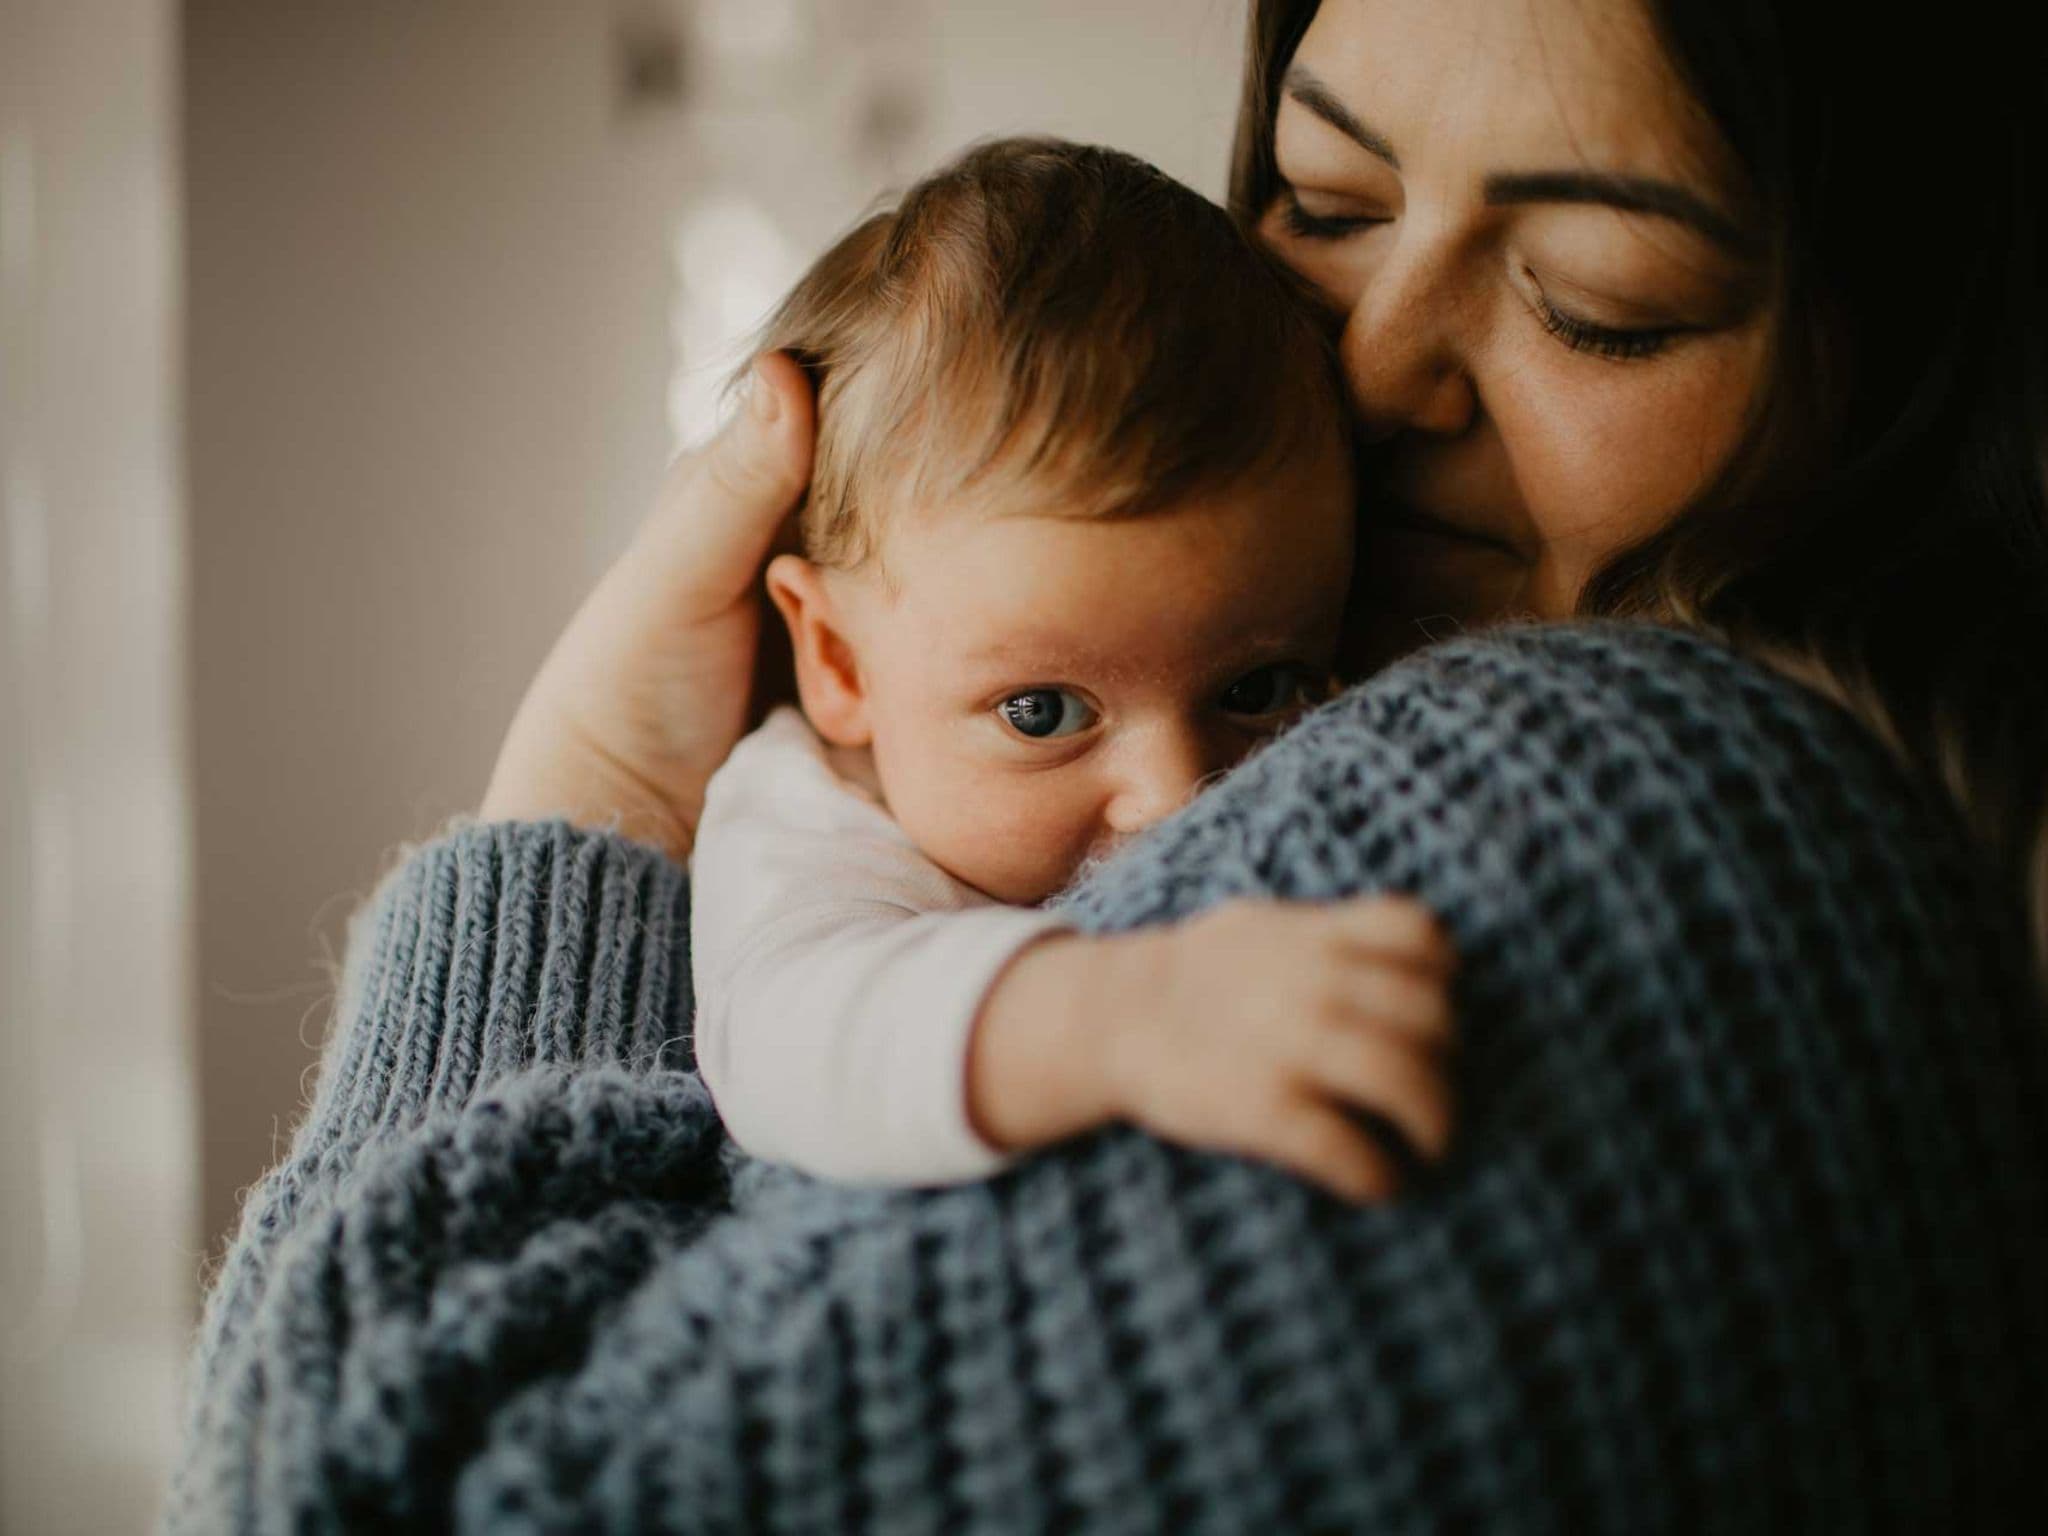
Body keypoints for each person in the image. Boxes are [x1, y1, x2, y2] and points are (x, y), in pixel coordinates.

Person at [165, 0, 2048, 1529]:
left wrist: (572, 803)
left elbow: (354, 1485)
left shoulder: (1641, 830)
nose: (1373, 370)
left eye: (1593, 297)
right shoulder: (829, 819)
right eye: (1321, 199)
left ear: (1915, 366)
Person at [693, 137, 1456, 1200]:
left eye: (1255, 690)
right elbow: (784, 1045)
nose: (1174, 799)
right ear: (837, 662)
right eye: (1041, 712)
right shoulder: (808, 824)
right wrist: (1121, 1015)